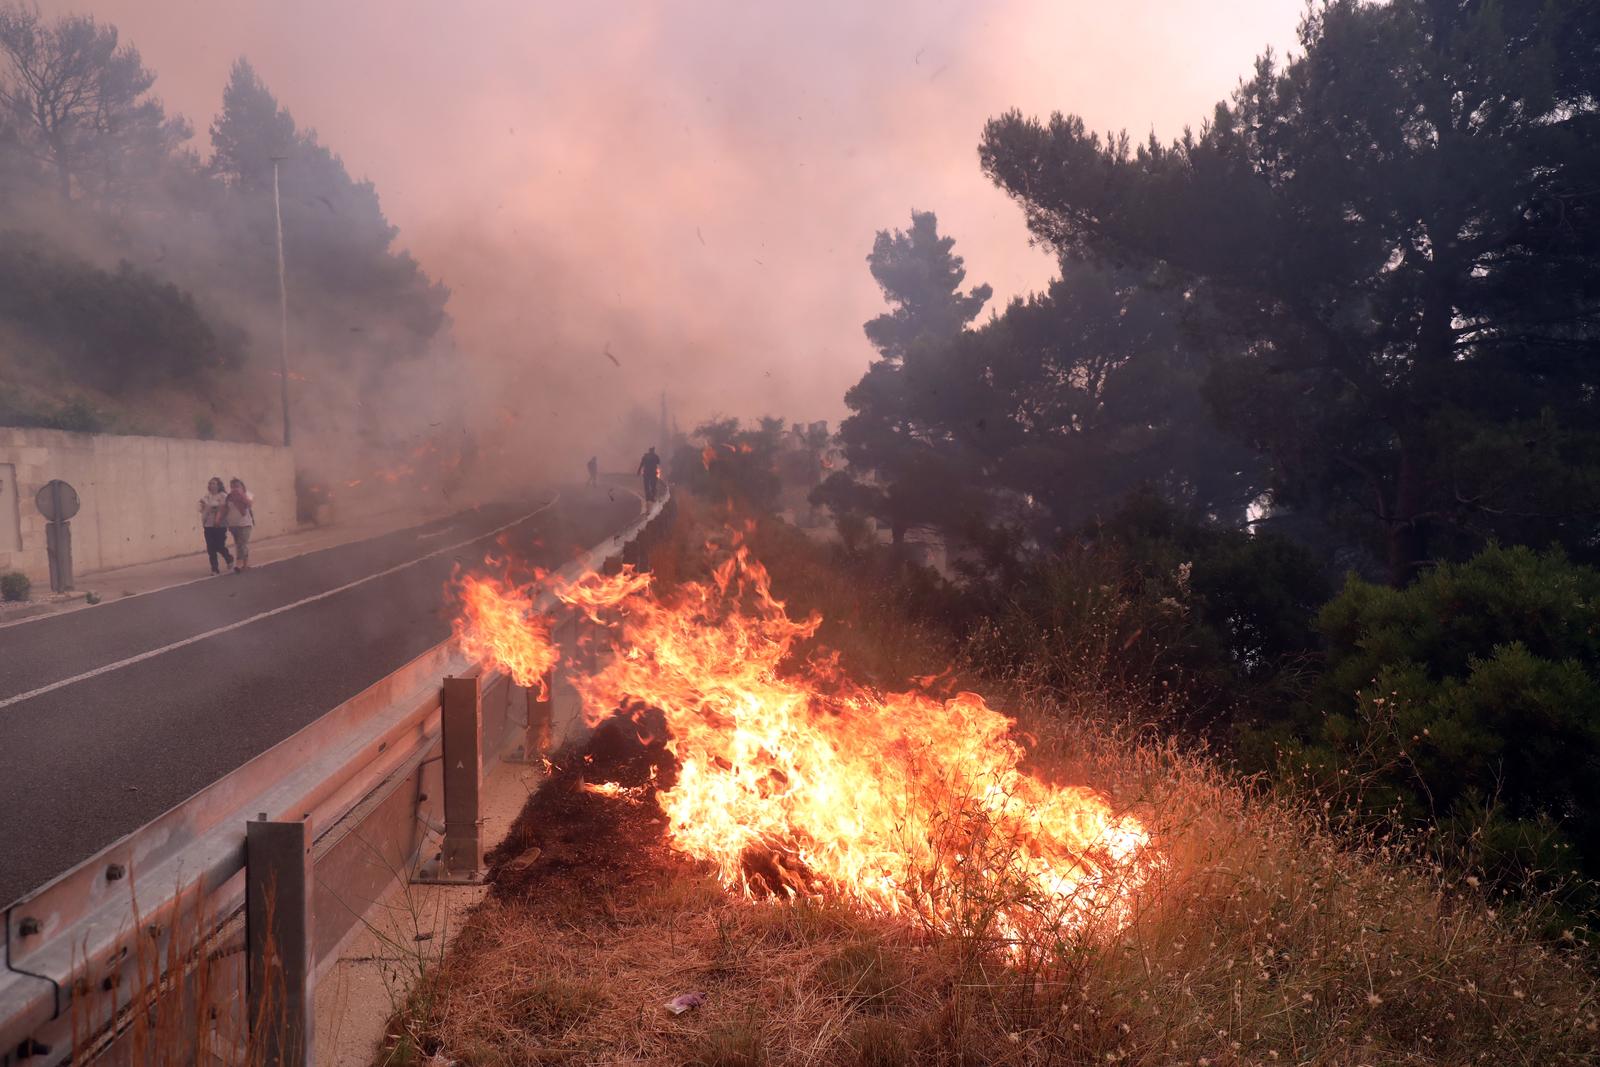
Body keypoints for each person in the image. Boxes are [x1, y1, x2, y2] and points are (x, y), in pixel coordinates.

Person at [198, 476, 233, 575]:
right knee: (210, 547)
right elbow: (202, 509)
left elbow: (225, 508)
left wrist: (216, 509)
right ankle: (214, 568)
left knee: (219, 545)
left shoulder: (223, 496)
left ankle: (228, 558)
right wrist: (203, 507)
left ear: (218, 485)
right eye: (210, 483)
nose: (211, 485)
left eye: (213, 483)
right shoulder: (206, 497)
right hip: (208, 525)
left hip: (219, 525)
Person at [224, 477, 255, 572]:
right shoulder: (229, 497)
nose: (235, 488)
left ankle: (239, 563)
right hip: (233, 524)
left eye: (237, 486)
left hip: (245, 524)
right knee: (239, 544)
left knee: (242, 543)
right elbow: (226, 509)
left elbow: (249, 504)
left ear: (242, 486)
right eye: (233, 486)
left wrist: (241, 496)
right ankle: (245, 564)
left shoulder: (247, 494)